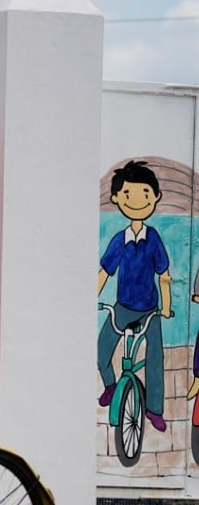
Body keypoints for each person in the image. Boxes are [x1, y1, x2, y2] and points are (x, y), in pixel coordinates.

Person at [97, 159, 171, 431]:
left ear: (155, 198)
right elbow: (105, 272)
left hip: (150, 309)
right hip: (122, 306)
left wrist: (166, 307)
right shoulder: (119, 240)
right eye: (128, 194)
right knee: (101, 351)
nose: (136, 200)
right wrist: (91, 297)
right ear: (117, 198)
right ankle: (110, 385)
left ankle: (154, 409)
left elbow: (164, 275)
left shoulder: (153, 239)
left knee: (155, 357)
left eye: (144, 194)